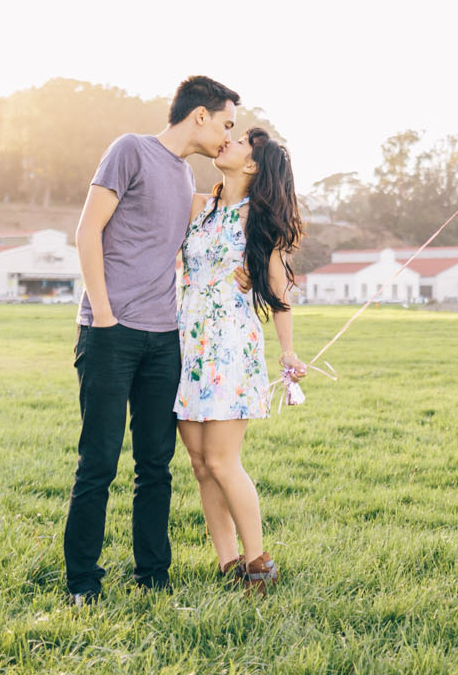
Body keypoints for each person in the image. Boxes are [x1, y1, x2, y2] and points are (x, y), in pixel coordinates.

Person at [63, 75, 239, 604]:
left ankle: (152, 576)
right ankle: (82, 582)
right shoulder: (130, 151)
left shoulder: (186, 178)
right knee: (98, 461)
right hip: (110, 332)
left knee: (155, 465)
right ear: (200, 115)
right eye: (226, 124)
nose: (228, 136)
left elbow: (222, 225)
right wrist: (106, 314)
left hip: (165, 340)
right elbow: (87, 230)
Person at [174, 126, 306, 594]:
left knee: (223, 460)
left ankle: (259, 563)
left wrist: (288, 352)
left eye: (240, 143)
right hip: (187, 345)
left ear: (252, 166)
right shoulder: (198, 207)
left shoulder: (257, 220)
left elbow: (280, 289)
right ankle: (227, 561)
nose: (226, 142)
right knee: (199, 462)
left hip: (230, 348)